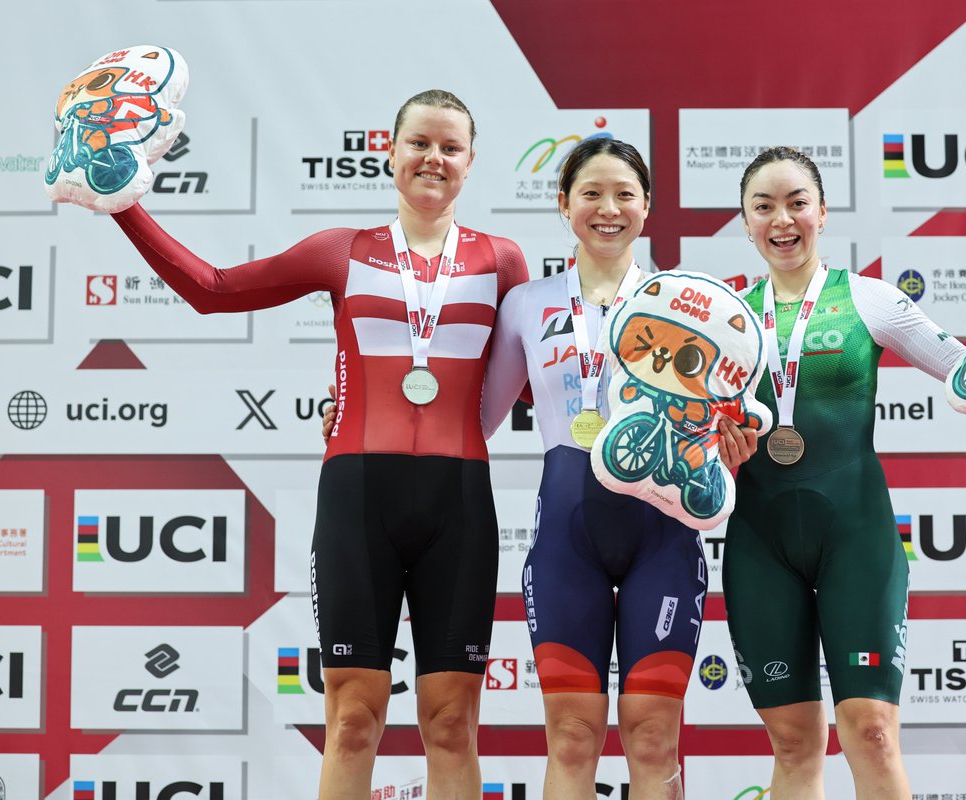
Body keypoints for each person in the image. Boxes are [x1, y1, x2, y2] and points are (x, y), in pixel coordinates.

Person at [102, 90, 528, 799]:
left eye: (450, 148)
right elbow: (212, 289)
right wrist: (124, 206)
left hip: (460, 502)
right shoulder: (345, 250)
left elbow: (545, 375)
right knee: (353, 719)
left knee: (451, 721)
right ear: (388, 152)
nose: (434, 158)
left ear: (471, 163)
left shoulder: (501, 260)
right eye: (419, 142)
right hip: (359, 495)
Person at [722, 146, 966, 800]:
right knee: (794, 743)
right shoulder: (725, 319)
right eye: (764, 207)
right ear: (745, 222)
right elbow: (697, 443)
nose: (783, 219)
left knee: (872, 730)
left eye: (797, 202)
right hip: (758, 541)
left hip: (856, 536)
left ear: (822, 211)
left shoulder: (872, 300)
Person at [480, 137, 757, 799]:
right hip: (565, 539)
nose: (609, 209)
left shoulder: (691, 305)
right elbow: (474, 420)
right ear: (563, 205)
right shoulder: (527, 303)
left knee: (654, 734)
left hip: (662, 536)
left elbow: (727, 416)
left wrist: (732, 449)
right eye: (592, 194)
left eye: (624, 194)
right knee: (573, 737)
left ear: (648, 206)